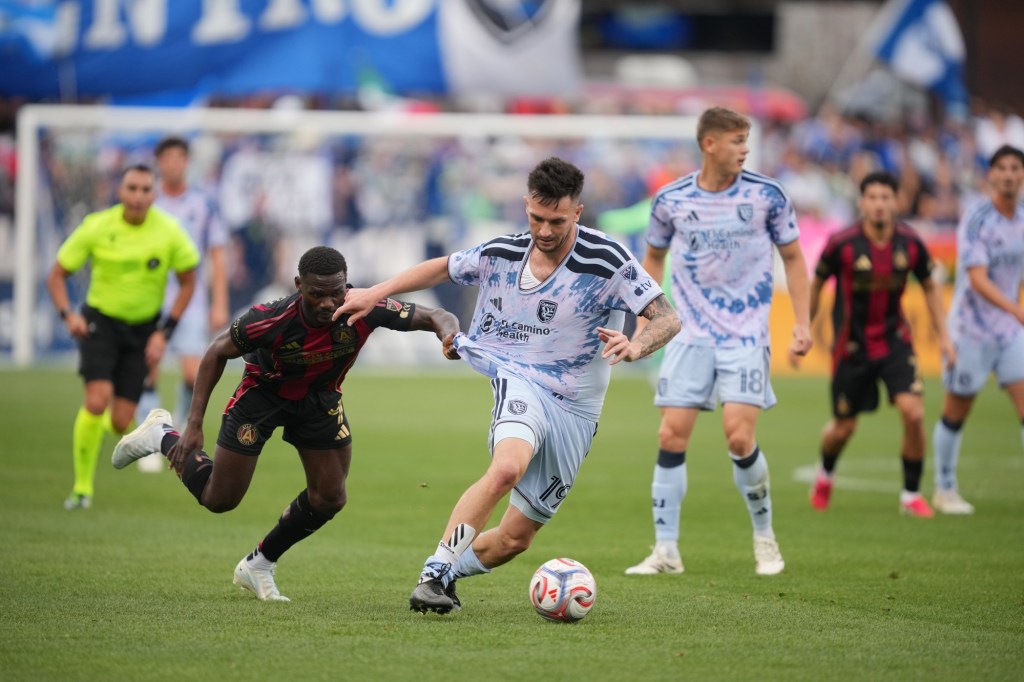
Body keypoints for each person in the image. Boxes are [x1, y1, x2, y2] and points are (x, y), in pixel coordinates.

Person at [335, 157, 680, 614]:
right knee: (507, 468)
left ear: (577, 212)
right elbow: (442, 267)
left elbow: (667, 317)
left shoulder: (608, 260)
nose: (544, 230)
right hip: (518, 380)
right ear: (526, 206)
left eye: (557, 220)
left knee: (516, 539)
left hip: (577, 409)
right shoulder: (502, 251)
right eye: (536, 217)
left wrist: (636, 347)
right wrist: (374, 293)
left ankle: (449, 576)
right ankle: (432, 575)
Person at [110, 246, 461, 602]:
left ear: (346, 285)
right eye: (317, 294)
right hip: (262, 397)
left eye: (335, 292)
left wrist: (449, 336)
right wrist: (193, 425)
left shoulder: (365, 307)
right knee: (219, 499)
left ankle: (259, 563)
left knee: (330, 497)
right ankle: (161, 434)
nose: (328, 303)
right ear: (298, 285)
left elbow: (437, 315)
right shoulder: (270, 318)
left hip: (319, 400)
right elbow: (216, 352)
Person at [624, 107, 812, 578]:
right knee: (670, 435)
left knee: (739, 435)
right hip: (688, 333)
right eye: (737, 140)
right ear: (710, 144)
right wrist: (650, 320)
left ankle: (765, 539)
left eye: (747, 140)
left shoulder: (768, 196)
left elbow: (793, 257)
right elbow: (653, 255)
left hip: (746, 333)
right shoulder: (670, 200)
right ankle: (666, 551)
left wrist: (803, 324)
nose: (745, 149)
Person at [47, 164, 199, 510]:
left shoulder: (169, 231)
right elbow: (56, 275)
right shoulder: (97, 226)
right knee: (97, 400)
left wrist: (164, 333)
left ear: (153, 194)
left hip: (144, 331)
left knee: (118, 422)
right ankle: (82, 489)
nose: (139, 196)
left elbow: (190, 280)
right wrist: (68, 315)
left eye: (146, 189)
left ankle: (94, 431)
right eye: (132, 188)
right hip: (99, 323)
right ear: (120, 192)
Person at [803, 171, 953, 517]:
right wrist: (803, 328)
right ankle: (825, 474)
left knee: (913, 412)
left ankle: (910, 495)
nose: (880, 204)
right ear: (862, 202)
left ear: (897, 201)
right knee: (843, 428)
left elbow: (930, 285)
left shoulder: (911, 243)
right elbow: (816, 282)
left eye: (886, 197)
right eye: (873, 198)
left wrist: (944, 336)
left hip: (894, 341)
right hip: (851, 347)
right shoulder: (842, 243)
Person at [932, 145, 1024, 514]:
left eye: (1015, 168)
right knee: (957, 409)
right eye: (1001, 168)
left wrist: (1014, 312)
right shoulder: (977, 218)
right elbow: (977, 278)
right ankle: (944, 487)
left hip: (1010, 332)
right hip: (970, 329)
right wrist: (1016, 308)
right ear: (991, 175)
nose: (1008, 174)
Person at [135, 136, 229, 472]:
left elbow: (217, 254)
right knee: (148, 369)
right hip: (150, 298)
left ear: (186, 162)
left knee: (193, 374)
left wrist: (220, 301)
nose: (172, 164)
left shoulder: (203, 203)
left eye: (179, 158)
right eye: (166, 158)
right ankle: (148, 445)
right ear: (159, 163)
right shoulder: (147, 202)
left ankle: (173, 430)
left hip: (190, 301)